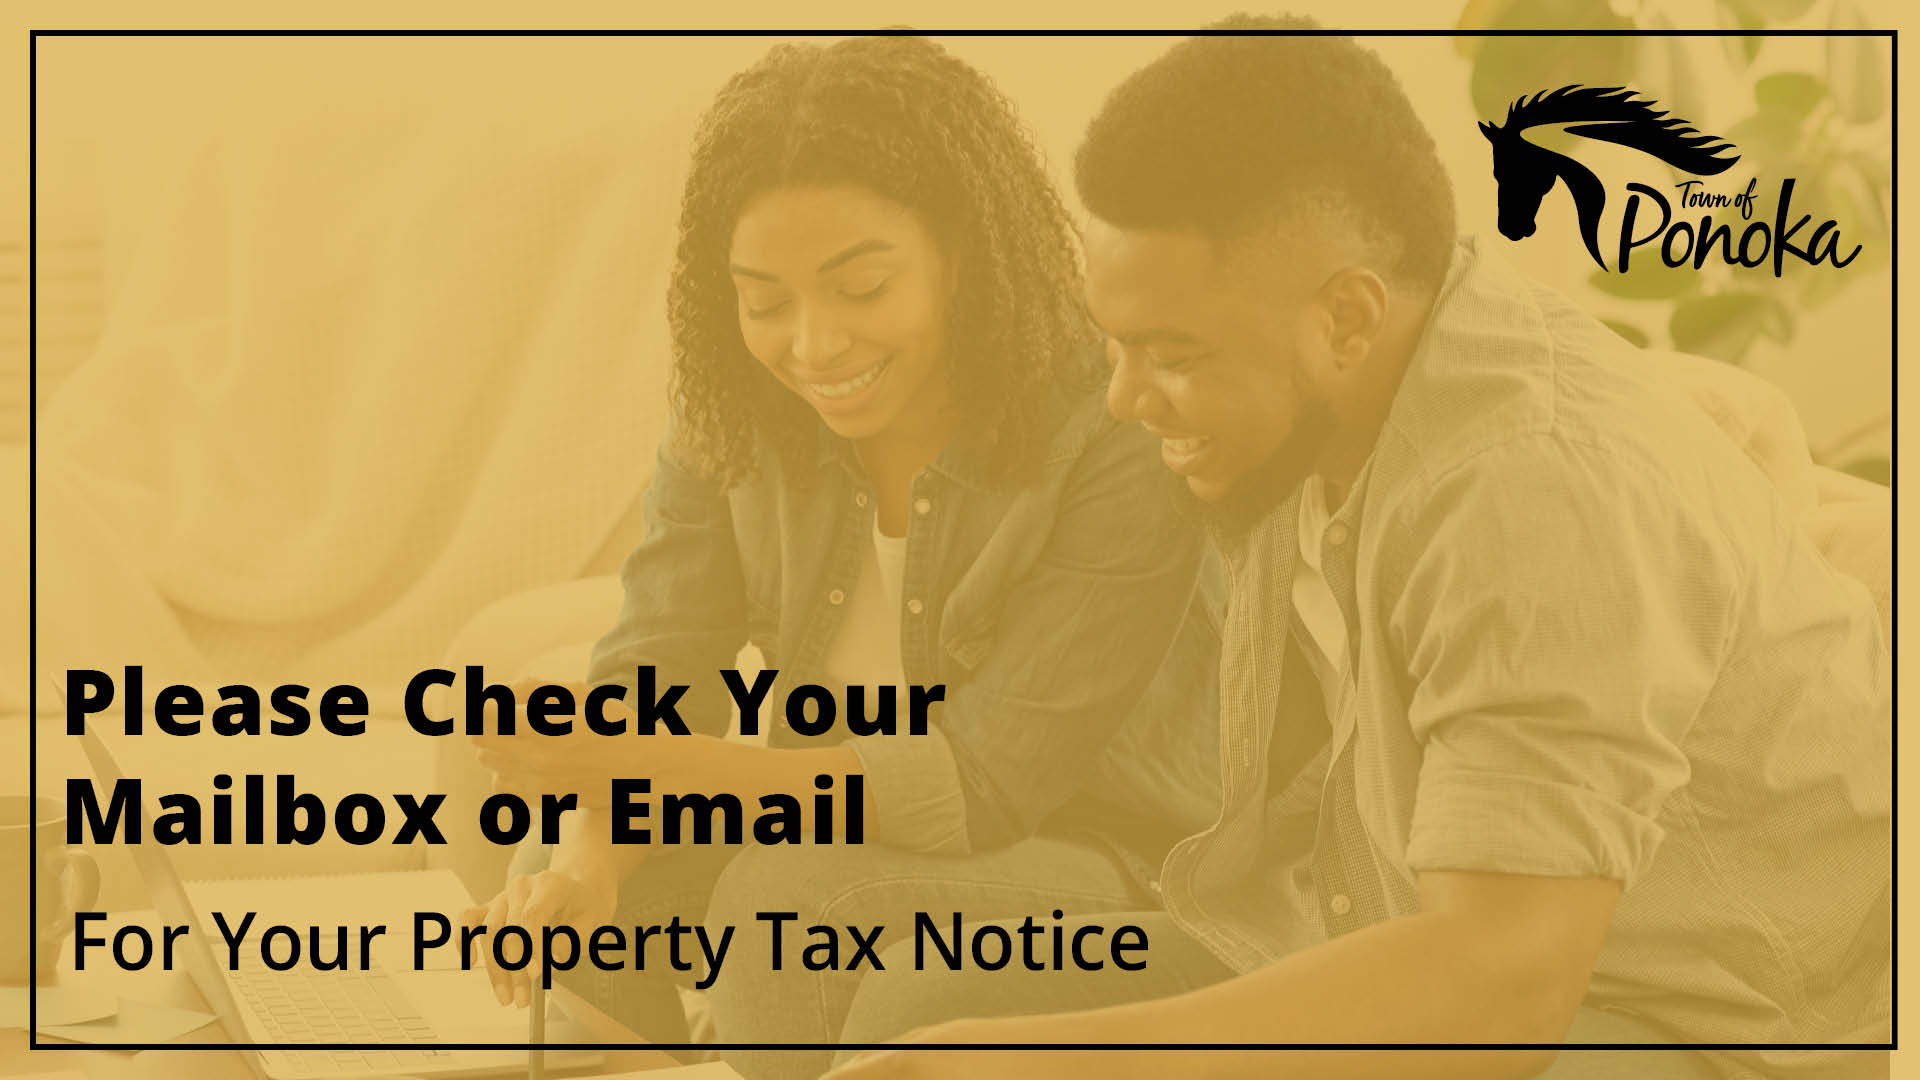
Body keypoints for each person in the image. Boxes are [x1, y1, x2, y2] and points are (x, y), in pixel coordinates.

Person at [830, 19, 1889, 1080]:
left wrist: (1010, 1064)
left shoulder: (1525, 494)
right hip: (1423, 925)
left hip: (1698, 1016)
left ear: (1347, 317)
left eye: (1172, 355)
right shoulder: (1331, 401)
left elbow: (1499, 989)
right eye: (1115, 344)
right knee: (930, 999)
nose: (1125, 397)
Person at [462, 34, 1220, 1080]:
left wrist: (636, 769)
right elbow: (660, 665)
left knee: (789, 907)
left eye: (860, 287)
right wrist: (592, 849)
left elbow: (990, 780)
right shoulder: (737, 407)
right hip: (833, 821)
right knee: (562, 868)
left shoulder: (1110, 419)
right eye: (766, 301)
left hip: (1116, 852)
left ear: (962, 251)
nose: (811, 345)